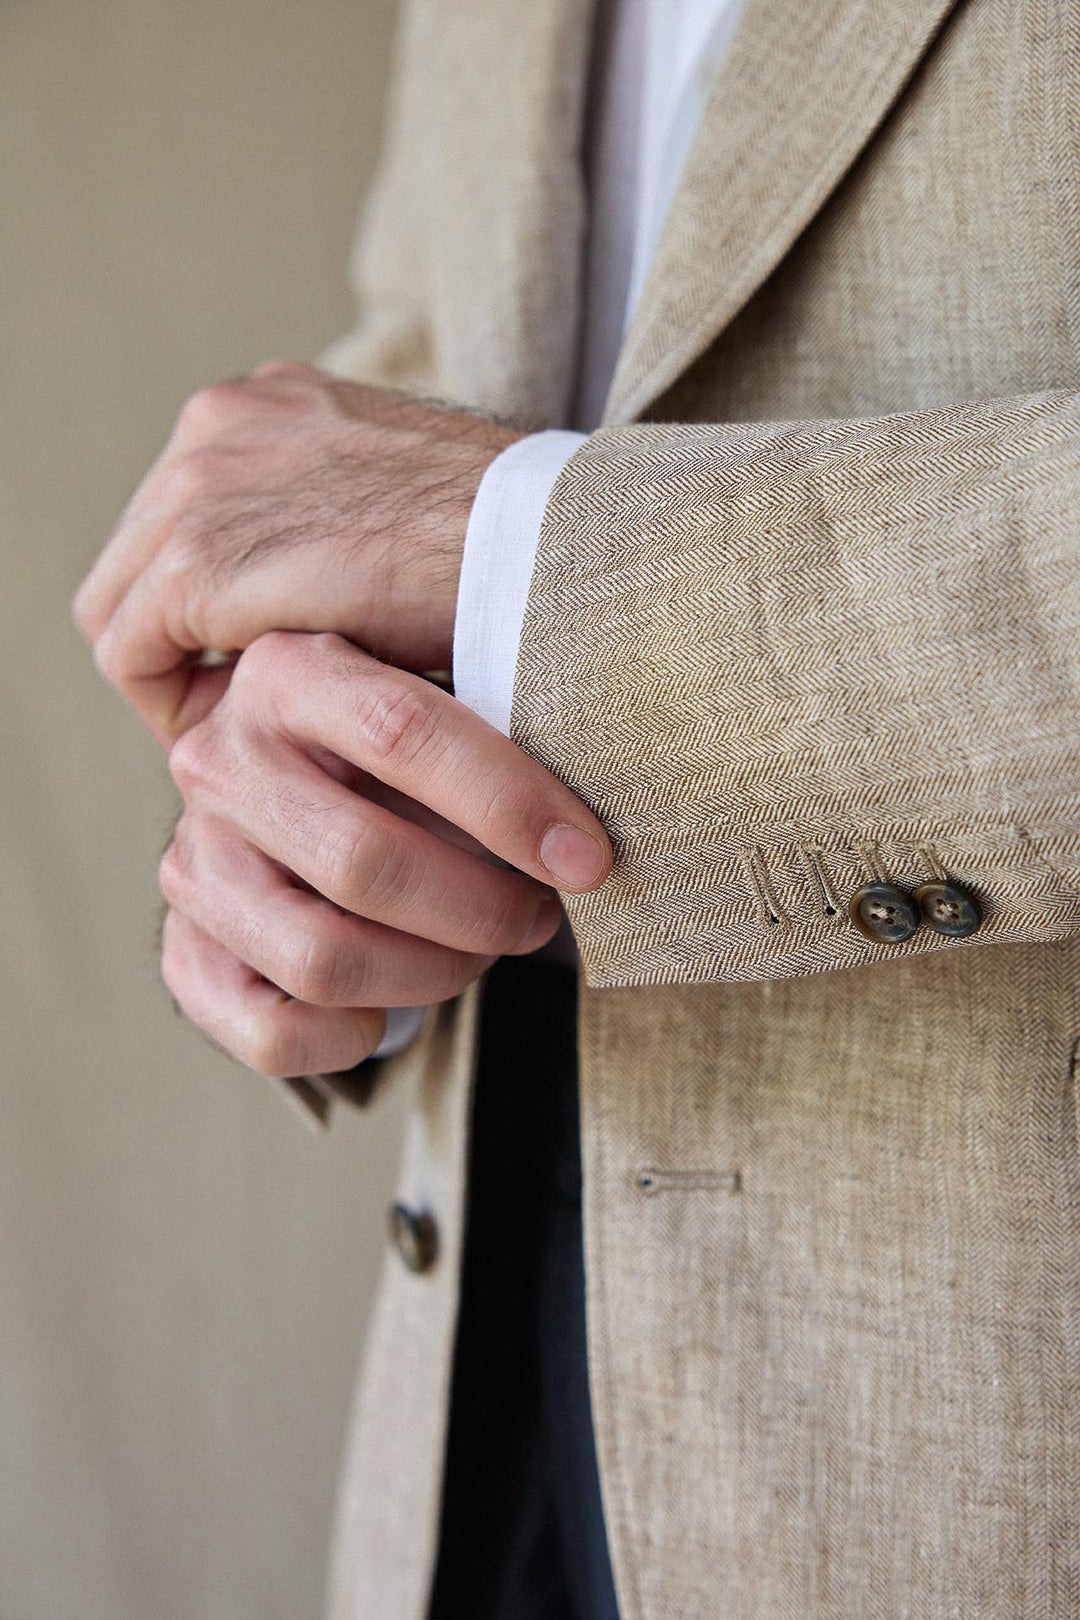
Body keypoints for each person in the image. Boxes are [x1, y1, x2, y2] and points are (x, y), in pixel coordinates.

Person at [74, 0, 1080, 1614]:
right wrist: (296, 833)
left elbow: (471, 543)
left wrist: (540, 578)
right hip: (478, 1418)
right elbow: (411, 414)